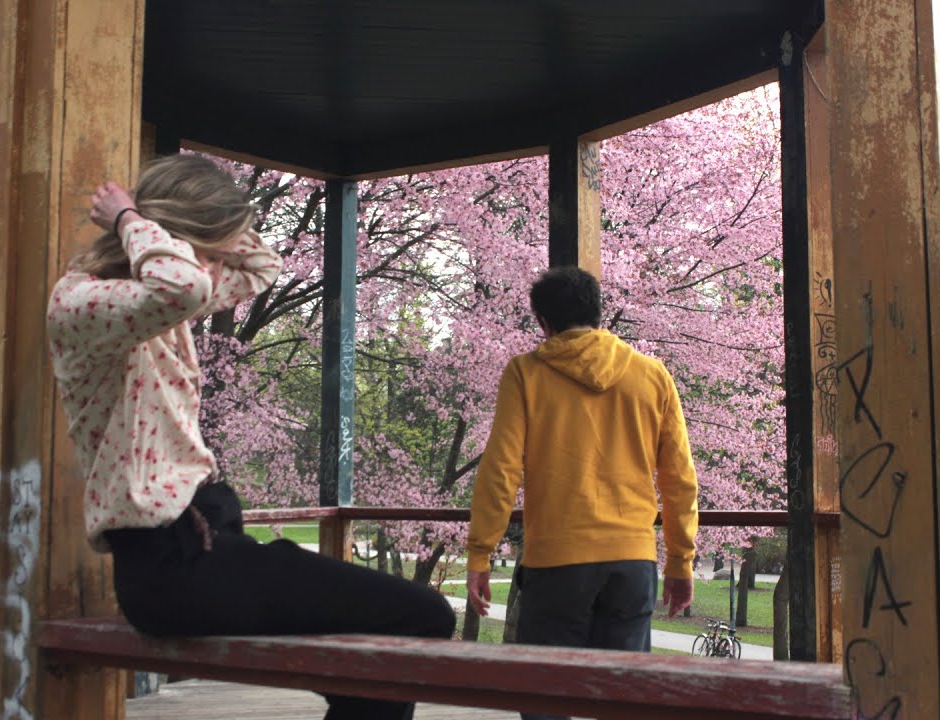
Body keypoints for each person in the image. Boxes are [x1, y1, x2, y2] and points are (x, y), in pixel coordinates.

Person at [47, 153, 455, 720]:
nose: (213, 268)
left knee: (368, 655)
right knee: (423, 614)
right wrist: (130, 220)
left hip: (208, 541)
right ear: (172, 237)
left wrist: (187, 231)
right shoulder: (85, 303)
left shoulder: (150, 302)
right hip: (172, 563)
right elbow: (182, 286)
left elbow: (261, 264)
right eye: (207, 251)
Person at [465, 266, 698, 720]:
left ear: (543, 323)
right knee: (626, 700)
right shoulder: (652, 375)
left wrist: (480, 553)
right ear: (598, 313)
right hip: (632, 562)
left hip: (556, 564)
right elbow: (679, 479)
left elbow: (500, 471)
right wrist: (680, 562)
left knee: (545, 700)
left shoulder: (526, 374)